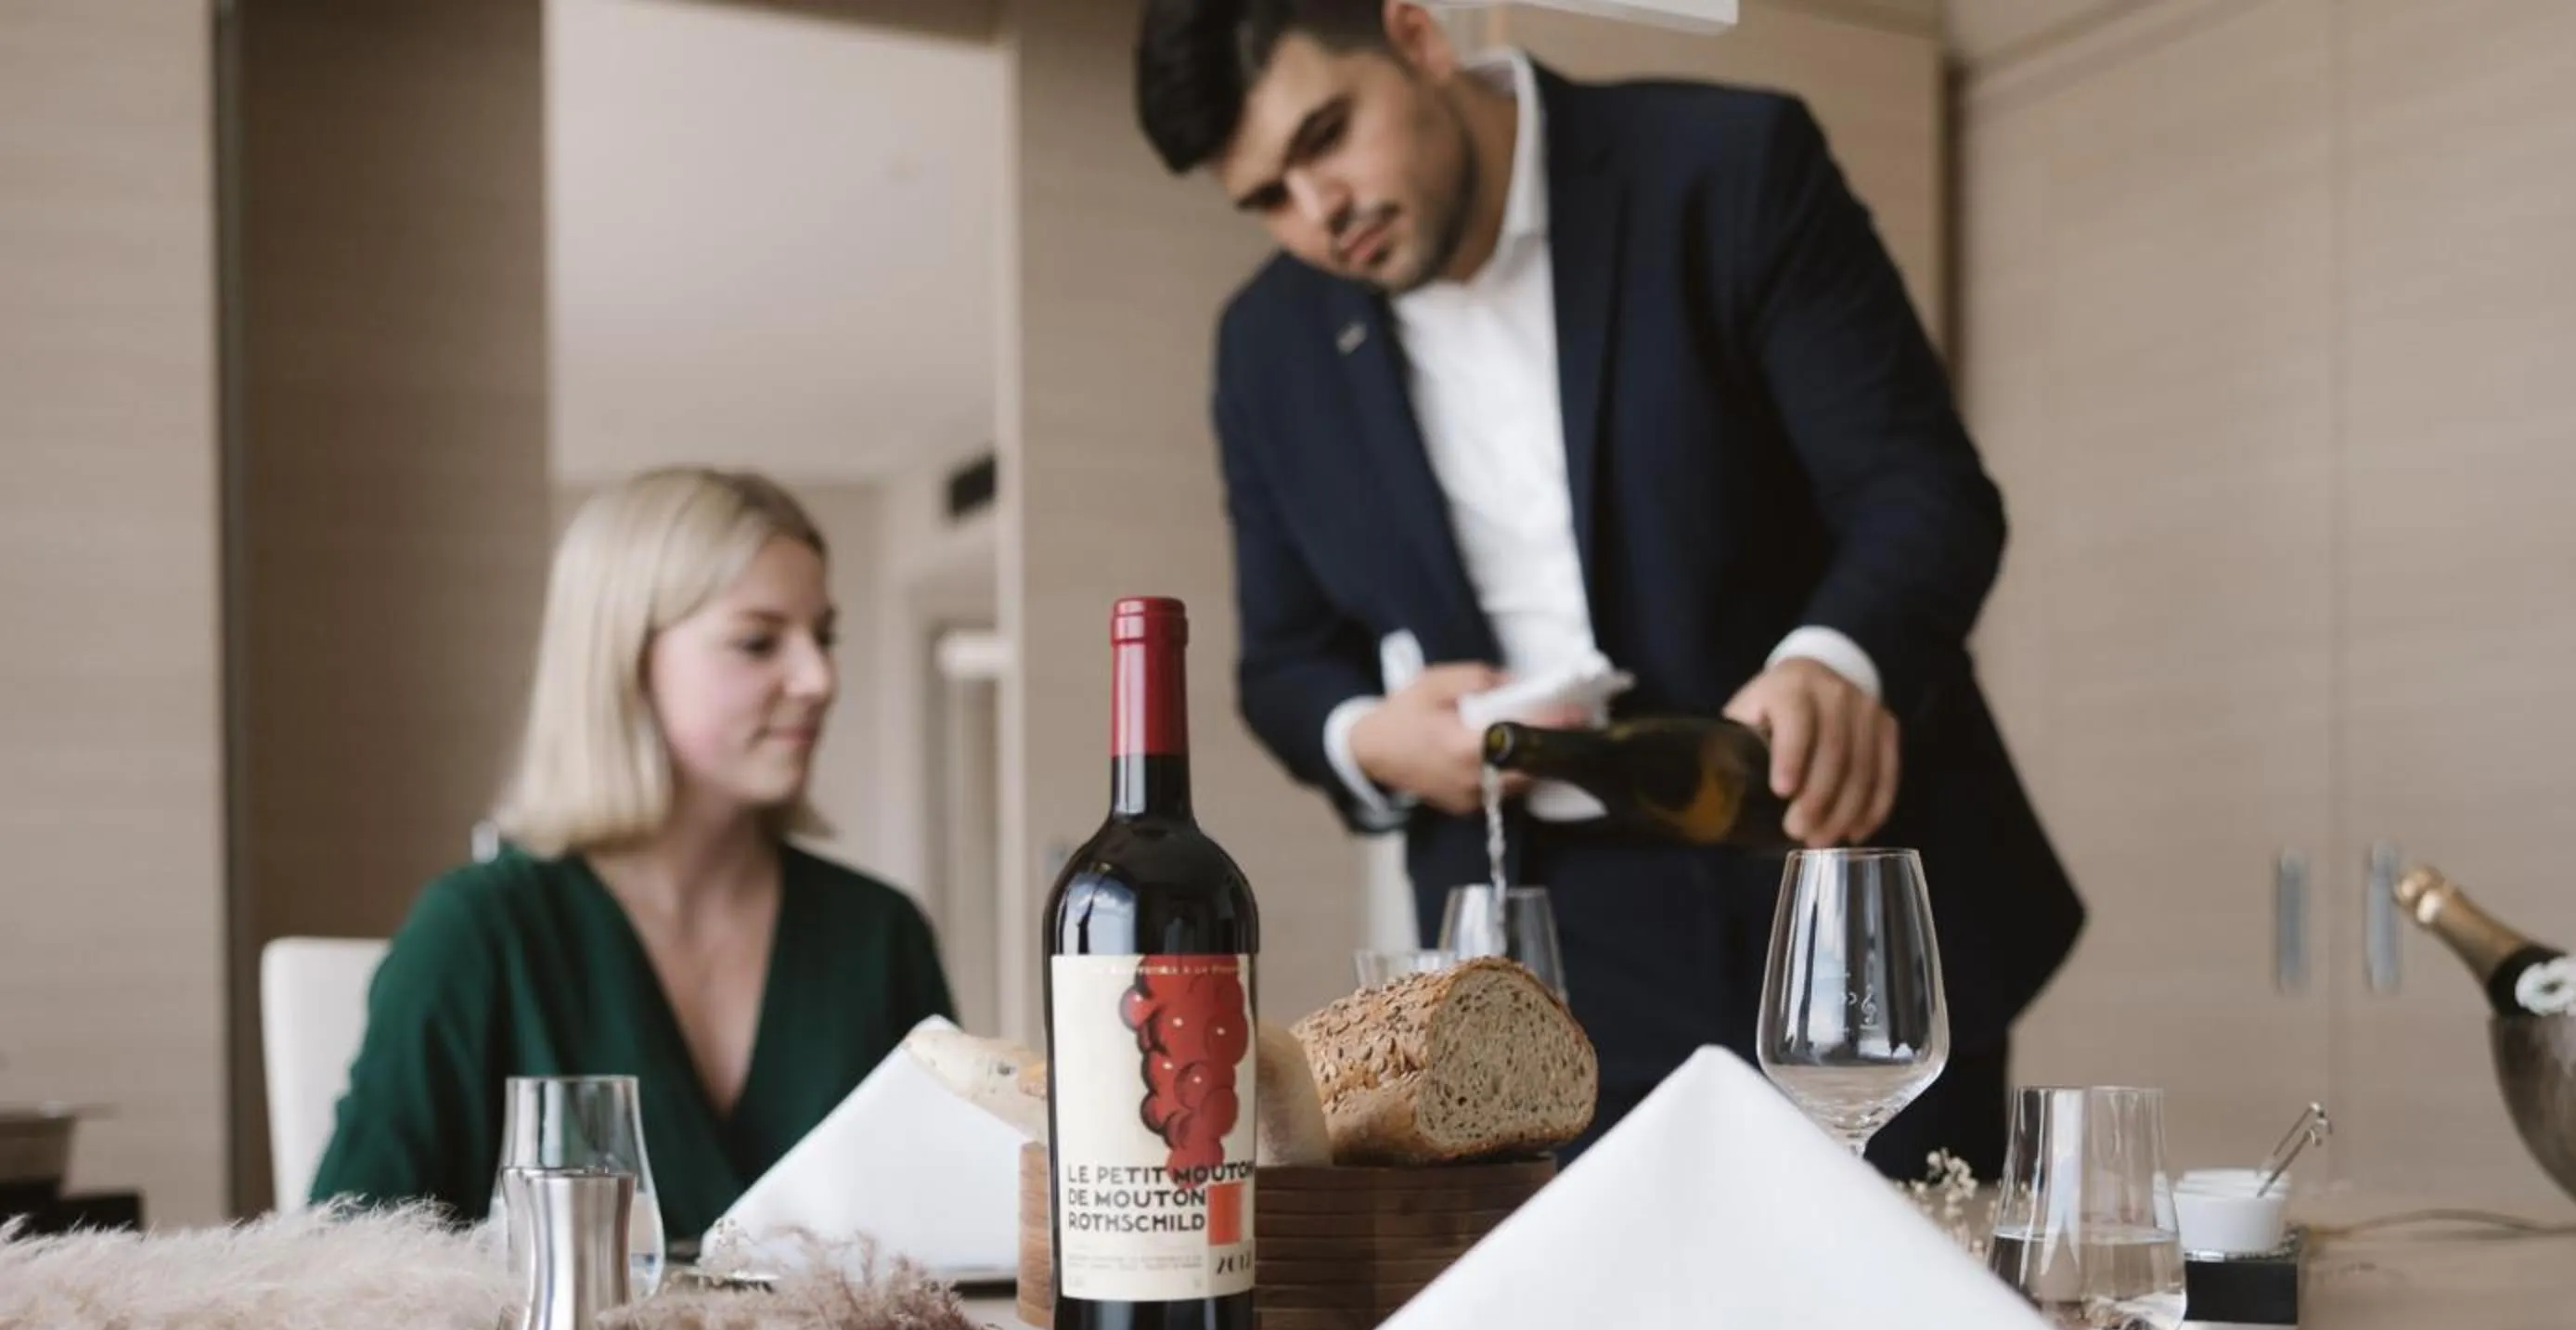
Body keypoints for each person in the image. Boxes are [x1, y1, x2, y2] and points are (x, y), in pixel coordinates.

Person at [1135, 0, 2081, 1176]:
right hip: (1535, 946)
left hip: (1823, 882)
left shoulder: (1725, 167)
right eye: (1267, 197)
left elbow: (1922, 486)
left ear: (1417, 38)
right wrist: (1371, 734)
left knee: (1903, 1324)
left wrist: (1836, 657)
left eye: (1326, 134)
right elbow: (1284, 661)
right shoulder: (1265, 348)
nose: (1318, 211)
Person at [311, 467, 956, 1238]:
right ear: (624, 664)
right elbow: (345, 1266)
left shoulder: (878, 934)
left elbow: (953, 1233)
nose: (819, 678)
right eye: (758, 642)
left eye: (824, 637)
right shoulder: (477, 935)